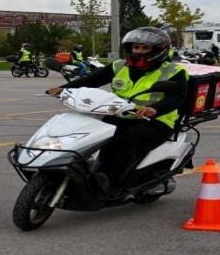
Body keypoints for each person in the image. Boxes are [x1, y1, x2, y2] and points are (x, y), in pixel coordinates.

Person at [46, 27, 188, 195]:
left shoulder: (174, 71)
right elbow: (92, 80)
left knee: (128, 139)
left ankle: (114, 181)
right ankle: (87, 171)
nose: (139, 51)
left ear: (158, 51)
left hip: (157, 120)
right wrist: (62, 89)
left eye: (145, 48)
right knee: (91, 132)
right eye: (136, 47)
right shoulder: (120, 65)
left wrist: (154, 109)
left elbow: (176, 98)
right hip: (120, 114)